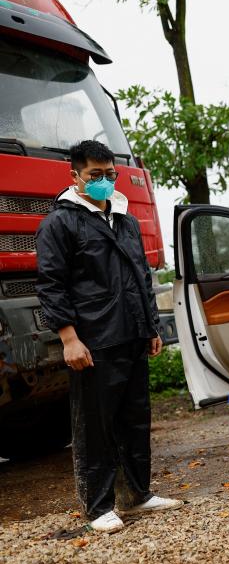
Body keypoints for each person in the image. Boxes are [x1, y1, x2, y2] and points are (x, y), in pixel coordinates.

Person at [35, 140, 183, 533]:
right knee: (94, 425)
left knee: (135, 418)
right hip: (94, 339)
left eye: (109, 174)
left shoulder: (125, 217)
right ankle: (98, 507)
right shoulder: (60, 223)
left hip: (132, 332)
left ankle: (137, 494)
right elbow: (52, 285)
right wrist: (69, 338)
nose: (104, 181)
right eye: (94, 175)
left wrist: (150, 326)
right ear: (75, 176)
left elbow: (140, 275)